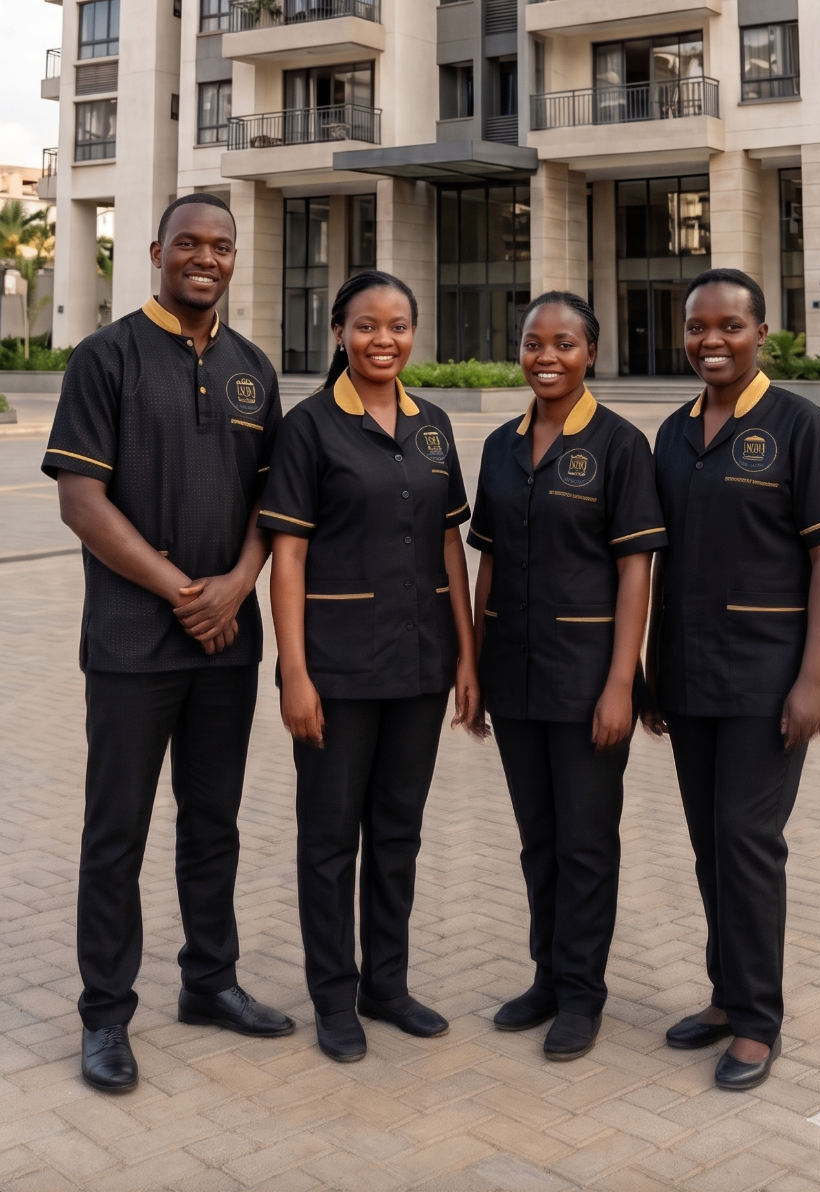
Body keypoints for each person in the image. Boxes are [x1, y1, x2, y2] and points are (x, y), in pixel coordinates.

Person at [43, 195, 295, 1094]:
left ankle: (209, 982)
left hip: (226, 641)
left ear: (234, 259)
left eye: (220, 246)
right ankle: (105, 1015)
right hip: (129, 644)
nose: (206, 257)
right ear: (154, 252)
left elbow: (276, 500)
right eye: (188, 242)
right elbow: (80, 502)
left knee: (214, 822)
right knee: (116, 833)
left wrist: (234, 586)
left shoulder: (253, 368)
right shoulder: (105, 357)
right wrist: (182, 589)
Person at [646, 267, 820, 1090]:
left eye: (729, 326)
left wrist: (815, 678)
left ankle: (760, 1022)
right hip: (689, 673)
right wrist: (652, 667)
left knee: (747, 842)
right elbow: (657, 562)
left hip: (768, 679)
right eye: (698, 326)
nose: (710, 340)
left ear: (760, 334)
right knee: (710, 846)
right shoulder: (672, 432)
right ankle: (726, 995)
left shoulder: (801, 425)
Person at [262, 270, 481, 1063]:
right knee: (329, 839)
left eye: (397, 326)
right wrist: (294, 671)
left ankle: (386, 984)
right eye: (365, 326)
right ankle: (334, 996)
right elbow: (287, 556)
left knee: (398, 834)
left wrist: (467, 656)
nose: (382, 340)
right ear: (338, 333)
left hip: (422, 667)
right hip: (337, 670)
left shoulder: (433, 425)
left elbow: (449, 544)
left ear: (413, 334)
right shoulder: (310, 427)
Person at [468, 292, 667, 1061]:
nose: (545, 356)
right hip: (513, 674)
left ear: (591, 352)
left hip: (588, 679)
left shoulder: (619, 446)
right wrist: (475, 667)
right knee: (538, 840)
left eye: (563, 343)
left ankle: (583, 994)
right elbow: (486, 561)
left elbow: (635, 571)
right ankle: (548, 976)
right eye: (532, 343)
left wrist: (624, 681)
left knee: (586, 841)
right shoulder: (500, 445)